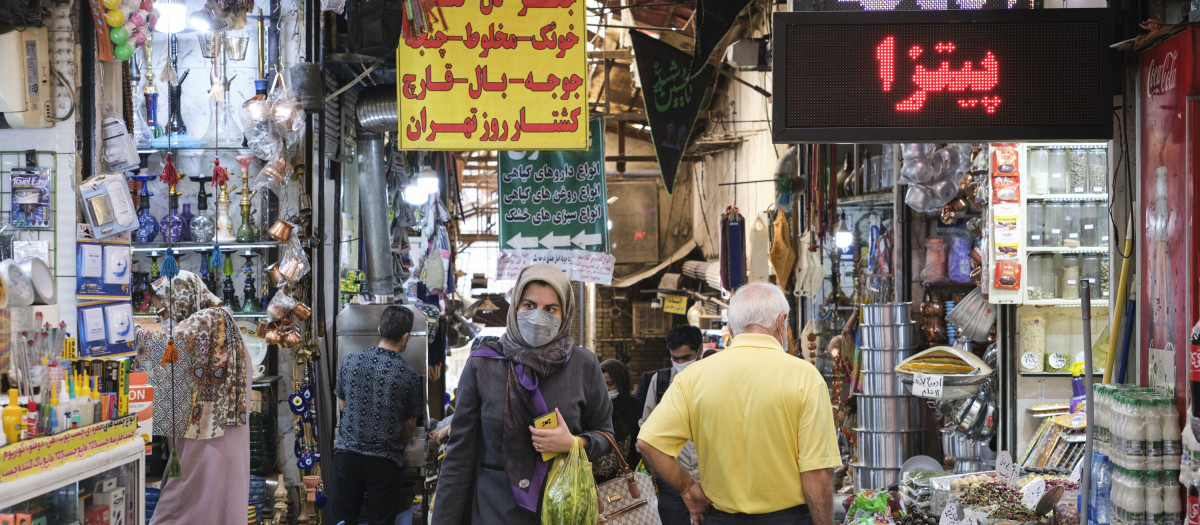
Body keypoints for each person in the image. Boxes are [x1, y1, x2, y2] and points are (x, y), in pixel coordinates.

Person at [639, 283, 841, 525]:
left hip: (720, 519)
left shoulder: (693, 377)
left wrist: (689, 490)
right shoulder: (804, 377)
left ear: (732, 329)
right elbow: (817, 472)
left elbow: (648, 443)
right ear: (781, 322)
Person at [432, 263, 613, 524]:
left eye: (550, 309)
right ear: (515, 307)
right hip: (494, 510)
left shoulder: (584, 365)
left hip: (562, 510)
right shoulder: (483, 364)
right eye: (529, 305)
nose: (538, 316)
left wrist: (574, 443)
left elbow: (605, 433)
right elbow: (459, 456)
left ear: (565, 314)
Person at [132, 271, 251, 525]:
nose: (163, 320)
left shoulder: (209, 320)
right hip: (218, 441)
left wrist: (128, 331)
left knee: (179, 511)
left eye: (164, 312)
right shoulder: (222, 321)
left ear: (182, 299)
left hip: (209, 445)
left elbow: (169, 347)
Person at [332, 305, 424, 525]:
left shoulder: (350, 362)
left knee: (343, 521)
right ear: (406, 336)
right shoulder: (409, 375)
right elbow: (410, 424)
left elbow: (343, 406)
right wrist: (395, 445)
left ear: (380, 328)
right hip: (384, 463)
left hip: (347, 457)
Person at [640, 325, 703, 525]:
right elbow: (645, 427)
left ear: (699, 350)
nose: (681, 363)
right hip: (673, 482)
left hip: (711, 481)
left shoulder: (716, 379)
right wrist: (657, 471)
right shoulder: (660, 382)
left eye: (686, 357)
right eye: (675, 359)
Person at [593, 359, 642, 481]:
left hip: (626, 477)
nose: (606, 389)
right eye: (602, 384)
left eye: (610, 384)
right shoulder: (592, 407)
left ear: (621, 383)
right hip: (594, 477)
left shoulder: (634, 407)